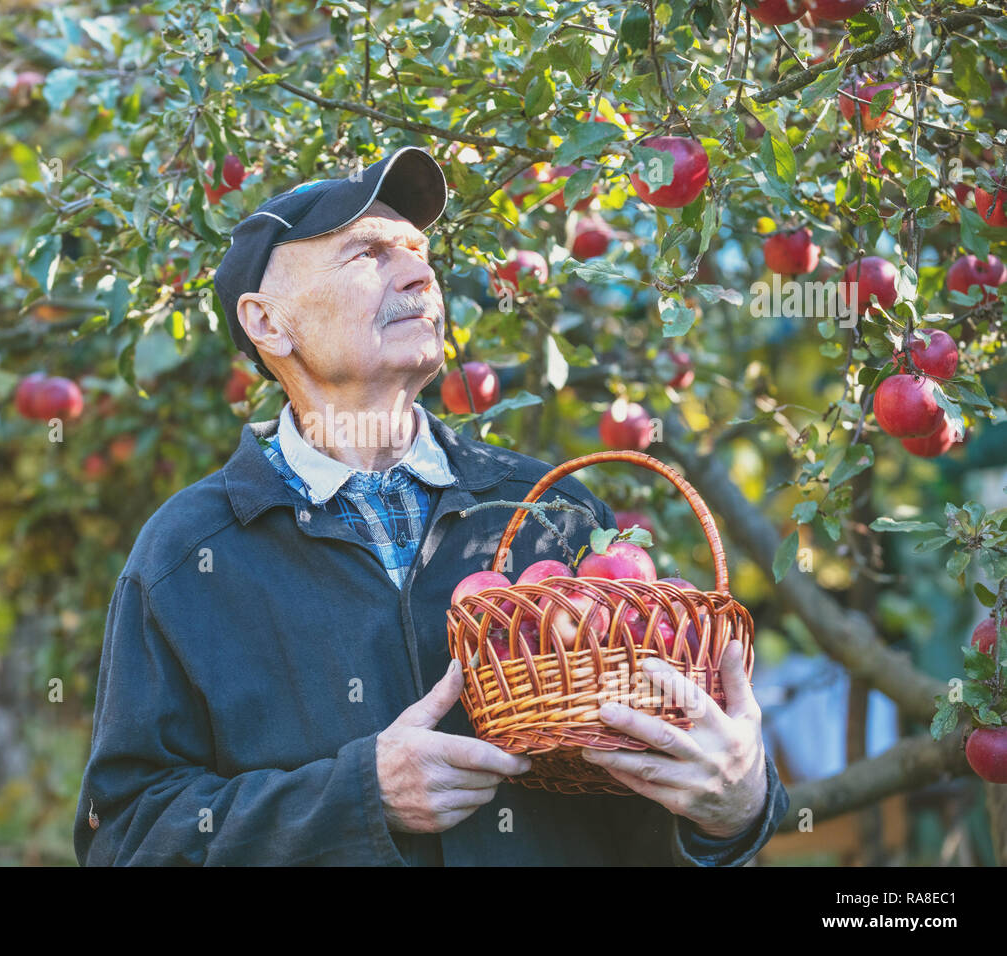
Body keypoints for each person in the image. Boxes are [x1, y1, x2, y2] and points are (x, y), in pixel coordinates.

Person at [74, 146, 788, 865]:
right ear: (266, 323)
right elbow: (125, 837)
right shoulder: (190, 556)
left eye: (418, 252)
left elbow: (641, 794)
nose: (419, 273)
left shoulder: (553, 515)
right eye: (367, 255)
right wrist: (359, 799)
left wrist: (736, 811)